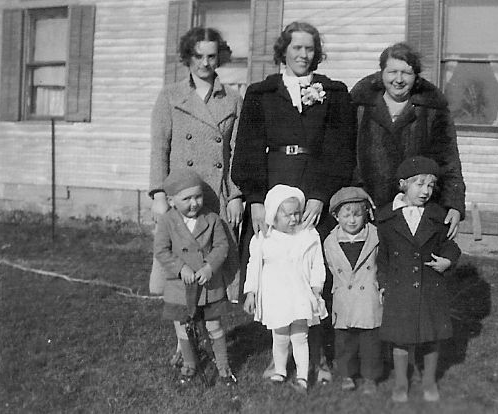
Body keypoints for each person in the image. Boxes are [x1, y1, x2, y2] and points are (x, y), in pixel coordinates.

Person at [232, 21, 356, 382]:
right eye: (296, 48)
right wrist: (256, 198)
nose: (303, 55)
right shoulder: (261, 94)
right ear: (283, 51)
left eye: (309, 49)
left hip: (317, 182)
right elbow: (249, 148)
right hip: (274, 182)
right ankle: (279, 356)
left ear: (317, 53)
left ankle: (318, 355)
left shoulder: (334, 93)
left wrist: (320, 193)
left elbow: (340, 149)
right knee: (276, 271)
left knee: (316, 268)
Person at [149, 27, 243, 366]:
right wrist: (160, 195)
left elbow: (235, 153)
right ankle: (184, 343)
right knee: (180, 274)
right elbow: (159, 150)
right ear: (188, 56)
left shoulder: (232, 99)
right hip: (179, 197)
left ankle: (207, 338)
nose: (205, 62)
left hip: (213, 199)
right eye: (199, 55)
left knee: (210, 272)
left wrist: (234, 195)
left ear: (220, 57)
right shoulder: (170, 95)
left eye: (212, 56)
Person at [350, 42, 466, 239]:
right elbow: (345, 155)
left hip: (417, 208)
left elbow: (449, 161)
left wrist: (453, 204)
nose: (399, 80)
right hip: (369, 205)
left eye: (407, 73)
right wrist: (355, 192)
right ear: (381, 74)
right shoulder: (360, 107)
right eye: (392, 72)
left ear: (416, 77)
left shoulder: (432, 110)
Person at [376, 156, 461, 403]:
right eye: (420, 184)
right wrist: (382, 283)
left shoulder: (437, 215)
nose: (426, 191)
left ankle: (429, 381)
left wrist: (448, 261)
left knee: (431, 336)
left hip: (430, 285)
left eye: (431, 186)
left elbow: (450, 246)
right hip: (400, 286)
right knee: (401, 338)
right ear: (403, 184)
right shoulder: (386, 218)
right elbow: (383, 257)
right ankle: (401, 383)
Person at [154, 168, 237, 385]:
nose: (194, 203)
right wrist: (181, 268)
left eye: (198, 196)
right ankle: (189, 365)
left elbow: (221, 246)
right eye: (187, 199)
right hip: (180, 287)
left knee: (214, 326)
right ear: (171, 201)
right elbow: (162, 250)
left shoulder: (212, 219)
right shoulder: (167, 222)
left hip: (208, 286)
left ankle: (223, 367)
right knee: (183, 327)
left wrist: (209, 267)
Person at [242, 185, 327, 393]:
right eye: (288, 215)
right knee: (280, 335)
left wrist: (317, 287)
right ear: (273, 215)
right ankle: (279, 370)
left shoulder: (308, 235)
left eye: (297, 213)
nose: (294, 219)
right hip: (276, 294)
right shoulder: (264, 238)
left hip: (300, 293)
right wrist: (251, 292)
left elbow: (318, 263)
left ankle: (302, 375)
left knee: (300, 335)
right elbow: (253, 266)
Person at [323, 187, 383, 395]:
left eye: (357, 215)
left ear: (366, 213)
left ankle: (370, 377)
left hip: (368, 297)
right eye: (346, 215)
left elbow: (382, 264)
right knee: (344, 342)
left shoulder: (375, 236)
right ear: (336, 216)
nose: (352, 220)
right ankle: (347, 374)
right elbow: (330, 270)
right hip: (344, 299)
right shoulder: (330, 242)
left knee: (370, 343)